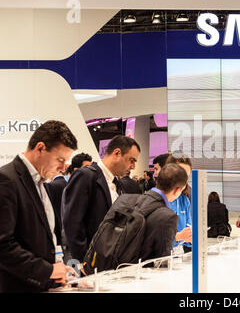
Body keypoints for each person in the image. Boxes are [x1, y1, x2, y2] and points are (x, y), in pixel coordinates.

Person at [0, 120, 78, 292]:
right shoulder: (6, 180)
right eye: (60, 159)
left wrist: (60, 270)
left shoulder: (42, 183)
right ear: (40, 148)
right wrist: (47, 271)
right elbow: (3, 246)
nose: (64, 167)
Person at [62, 135, 140, 262]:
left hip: (111, 261)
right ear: (117, 153)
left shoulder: (119, 184)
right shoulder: (85, 176)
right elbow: (72, 222)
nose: (133, 166)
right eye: (131, 160)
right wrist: (84, 261)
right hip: (89, 263)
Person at [139, 163, 189, 261]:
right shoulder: (166, 216)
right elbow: (161, 259)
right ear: (177, 191)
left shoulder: (135, 199)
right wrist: (178, 237)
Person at [165, 154, 193, 251]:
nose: (183, 180)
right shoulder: (157, 200)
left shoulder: (184, 200)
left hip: (179, 256)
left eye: (186, 176)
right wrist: (178, 237)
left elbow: (188, 231)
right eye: (181, 175)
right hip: (158, 260)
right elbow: (152, 241)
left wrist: (191, 237)